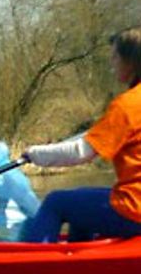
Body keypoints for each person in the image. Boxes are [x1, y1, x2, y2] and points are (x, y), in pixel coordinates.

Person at [20, 26, 141, 242]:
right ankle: (78, 264)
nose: (111, 65)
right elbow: (99, 134)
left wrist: (34, 154)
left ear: (131, 62)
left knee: (56, 202)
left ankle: (29, 267)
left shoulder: (127, 105)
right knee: (79, 205)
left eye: (115, 57)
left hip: (135, 209)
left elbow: (80, 153)